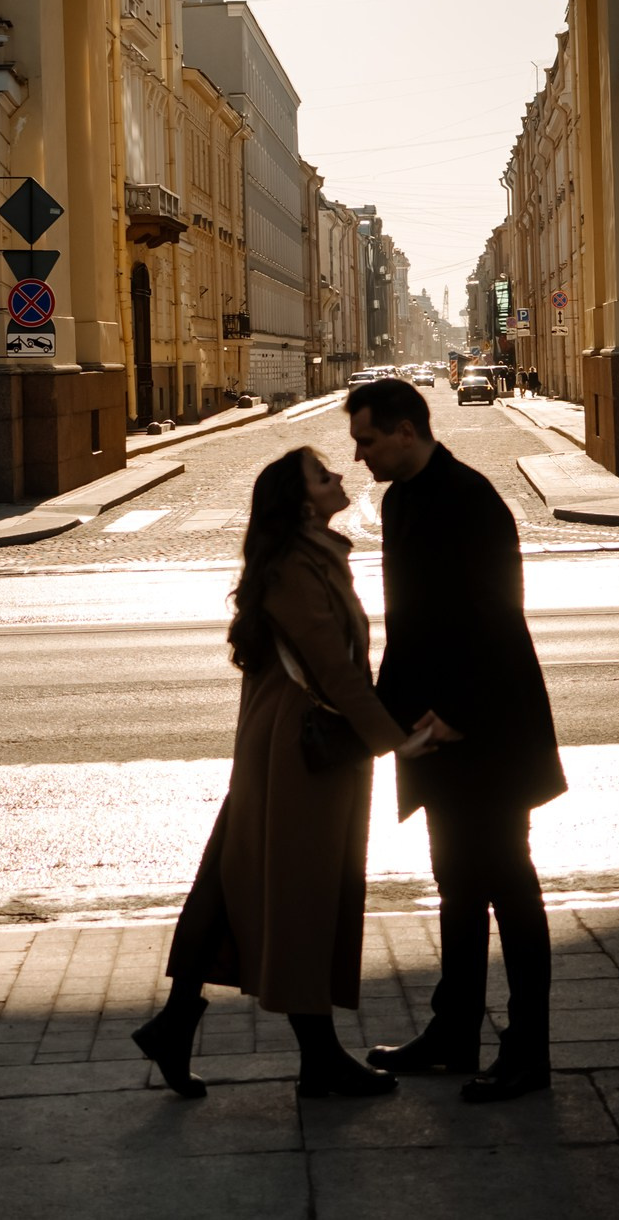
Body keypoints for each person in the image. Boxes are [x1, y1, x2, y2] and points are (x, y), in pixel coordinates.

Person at [132, 447, 432, 1099]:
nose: (339, 479)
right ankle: (318, 1058)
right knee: (297, 893)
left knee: (237, 879)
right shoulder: (296, 568)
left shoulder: (307, 553)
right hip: (300, 749)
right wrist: (396, 741)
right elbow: (335, 671)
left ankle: (177, 1023)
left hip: (283, 741)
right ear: (301, 503)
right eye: (324, 477)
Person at [346, 378, 565, 1103]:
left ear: (407, 431)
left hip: (489, 732)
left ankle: (528, 1050)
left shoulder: (471, 500)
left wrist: (459, 713)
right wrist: (382, 720)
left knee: (511, 888)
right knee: (457, 887)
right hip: (434, 734)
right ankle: (454, 1031)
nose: (359, 455)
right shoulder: (402, 500)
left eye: (368, 439)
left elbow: (498, 619)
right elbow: (406, 629)